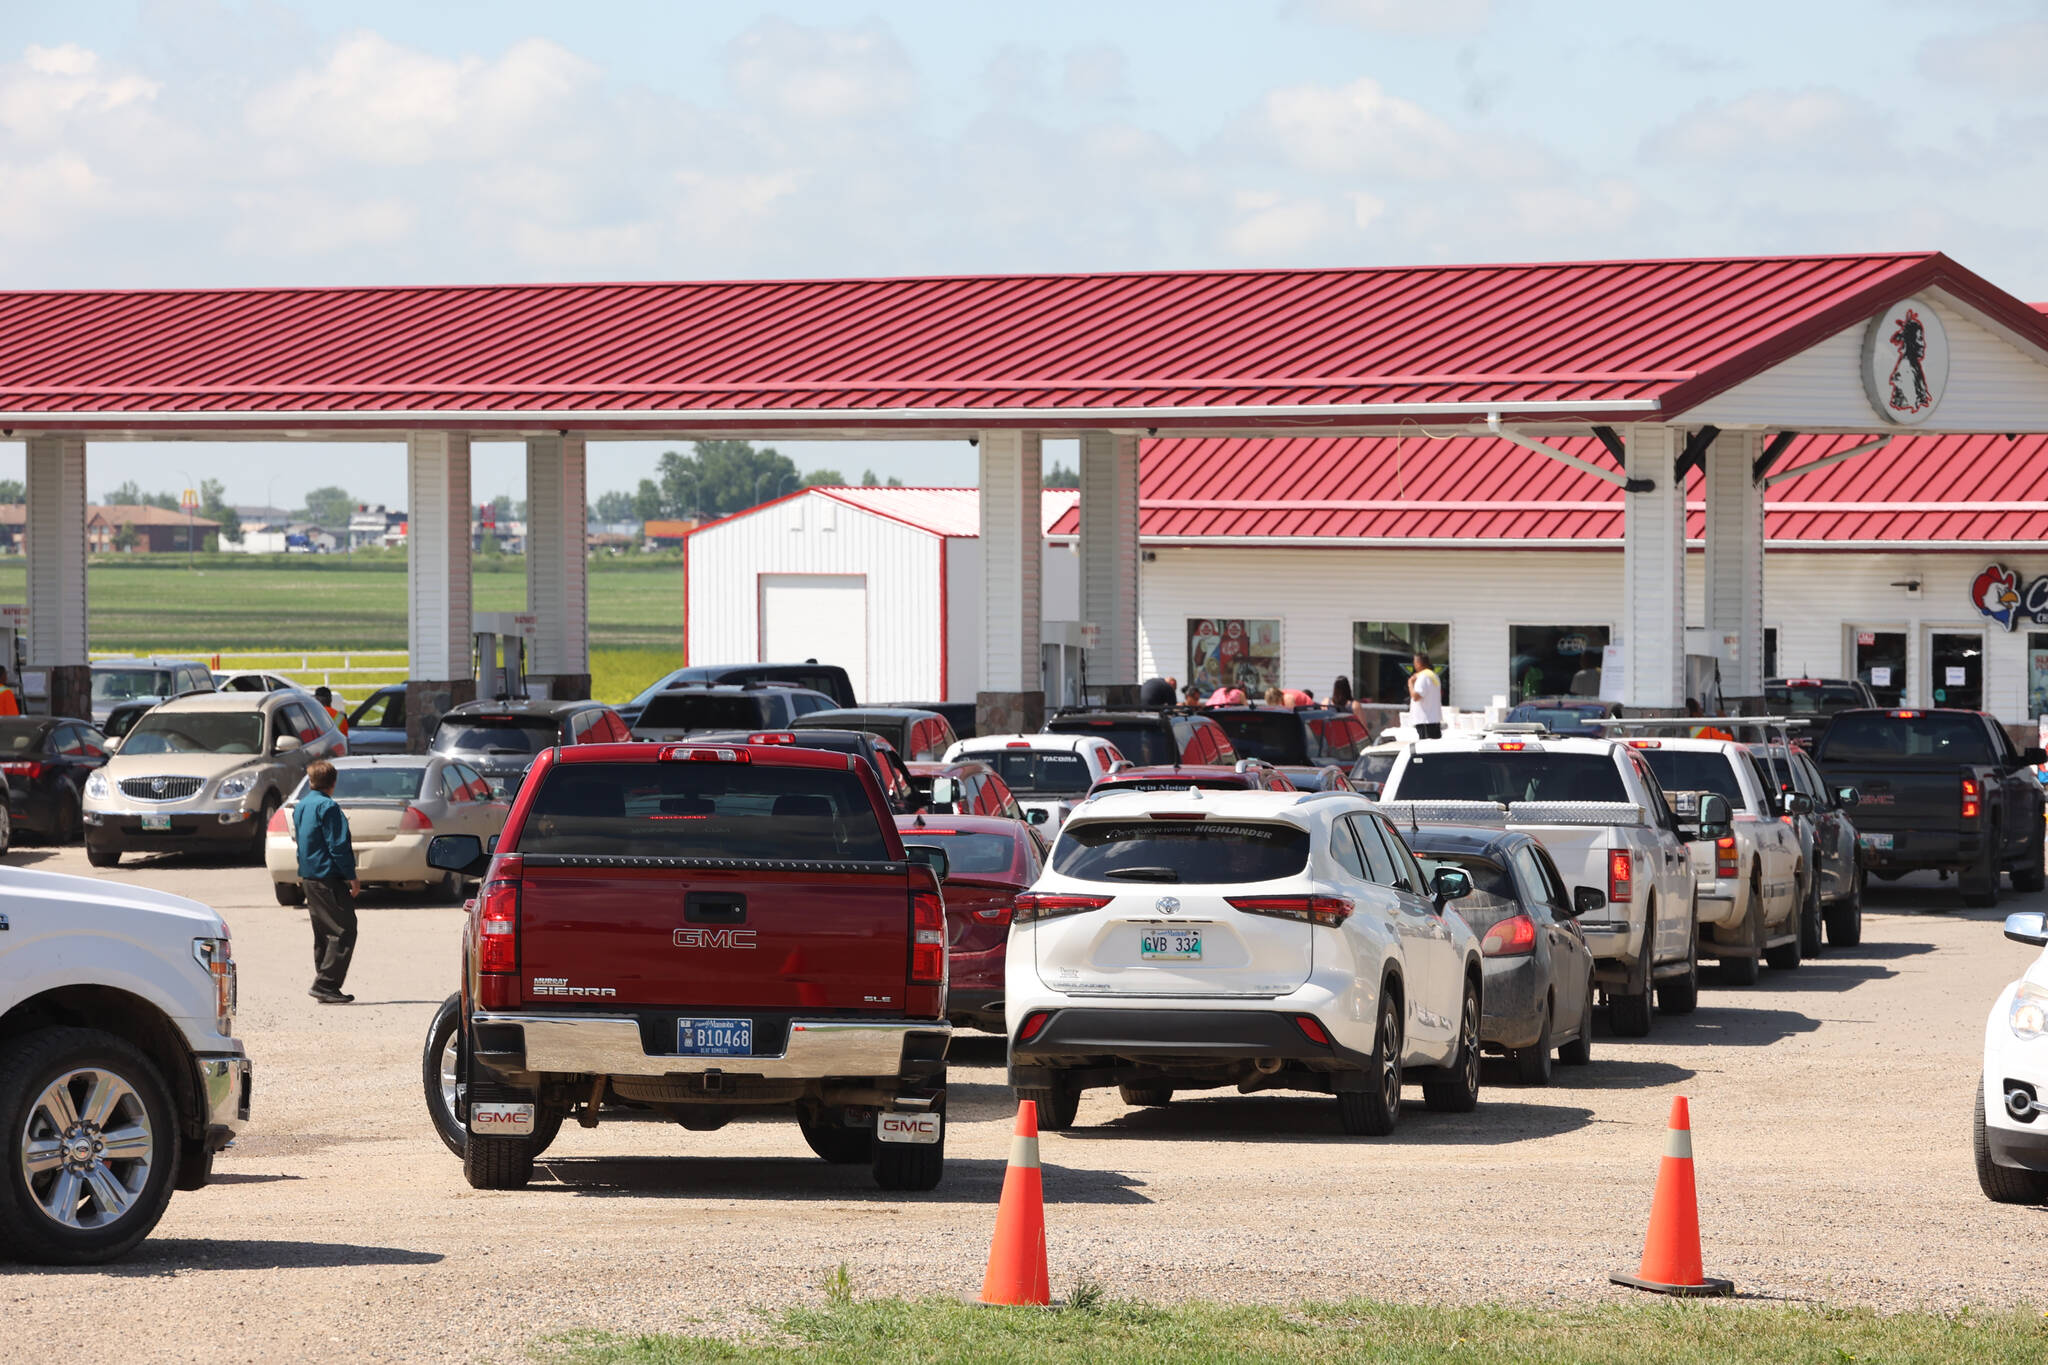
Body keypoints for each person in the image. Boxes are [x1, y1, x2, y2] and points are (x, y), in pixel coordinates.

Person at [294, 759, 360, 1004]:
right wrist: (351, 876)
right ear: (333, 782)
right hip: (327, 876)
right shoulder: (328, 807)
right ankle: (326, 983)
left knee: (323, 931)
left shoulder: (302, 805)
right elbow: (338, 845)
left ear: (311, 781)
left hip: (309, 876)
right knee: (344, 930)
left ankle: (324, 979)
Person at [1408, 652, 1443, 740]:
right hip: (1434, 720)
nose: (1414, 665)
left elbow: (1416, 696)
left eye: (1414, 662)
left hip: (1425, 721)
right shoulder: (1434, 675)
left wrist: (1410, 683)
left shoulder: (1423, 677)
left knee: (1425, 749)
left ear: (1418, 663)